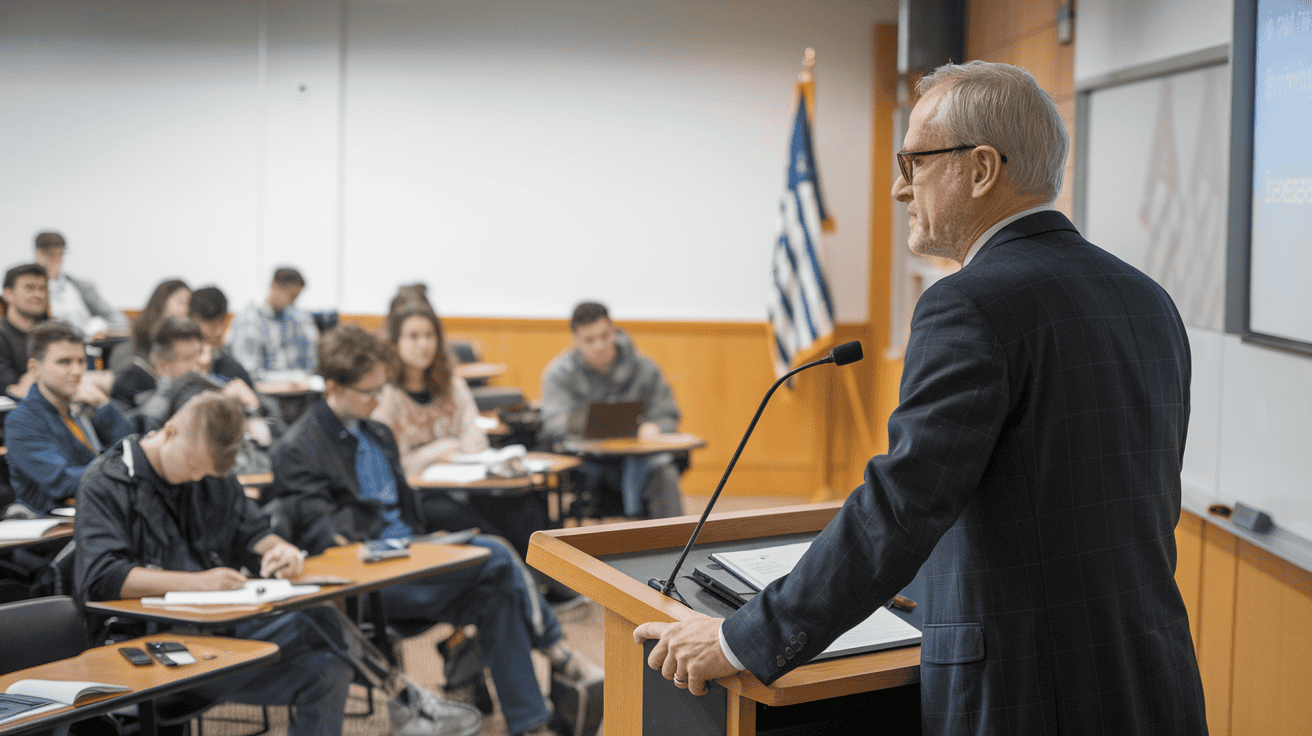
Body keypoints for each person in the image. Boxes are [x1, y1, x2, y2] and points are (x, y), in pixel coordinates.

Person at [635, 61, 1207, 735]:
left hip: (1029, 691)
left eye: (914, 161)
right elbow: (1075, 496)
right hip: (1150, 672)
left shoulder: (968, 304)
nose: (899, 188)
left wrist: (739, 639)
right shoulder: (1147, 298)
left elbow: (901, 506)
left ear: (983, 167)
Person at [270, 324, 601, 736]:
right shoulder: (299, 448)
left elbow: (408, 512)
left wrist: (421, 541)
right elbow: (328, 539)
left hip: (409, 556)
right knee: (495, 552)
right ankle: (559, 653)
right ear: (333, 387)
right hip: (368, 576)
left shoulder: (376, 432)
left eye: (381, 389)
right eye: (368, 392)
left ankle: (530, 724)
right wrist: (395, 538)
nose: (378, 400)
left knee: (496, 593)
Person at [72, 391, 354, 736]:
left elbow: (249, 534)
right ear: (170, 431)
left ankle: (399, 689)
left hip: (217, 633)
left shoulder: (212, 475)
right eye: (193, 466)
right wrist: (196, 582)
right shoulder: (106, 481)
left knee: (330, 669)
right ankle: (400, 691)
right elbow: (104, 575)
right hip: (150, 644)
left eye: (206, 472)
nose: (196, 477)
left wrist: (281, 551)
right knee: (319, 620)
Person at [373, 302, 551, 561]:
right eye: (413, 336)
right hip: (421, 494)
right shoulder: (385, 395)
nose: (423, 344)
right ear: (394, 343)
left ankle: (552, 584)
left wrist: (435, 453)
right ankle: (515, 576)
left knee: (524, 503)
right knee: (462, 519)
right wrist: (443, 447)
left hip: (468, 483)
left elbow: (475, 442)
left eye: (429, 335)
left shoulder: (453, 384)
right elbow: (397, 463)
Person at [540, 301, 684, 518]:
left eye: (605, 336)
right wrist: (593, 427)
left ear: (614, 331)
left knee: (663, 470)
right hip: (588, 465)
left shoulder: (645, 368)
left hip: (640, 459)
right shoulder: (560, 373)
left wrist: (654, 427)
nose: (599, 345)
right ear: (576, 340)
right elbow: (555, 423)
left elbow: (668, 415)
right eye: (589, 340)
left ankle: (676, 545)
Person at [4, 321, 132, 514]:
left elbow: (129, 445)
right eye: (64, 362)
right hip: (56, 534)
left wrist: (104, 405)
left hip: (101, 514)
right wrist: (125, 470)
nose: (77, 371)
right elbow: (62, 482)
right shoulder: (21, 421)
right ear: (34, 368)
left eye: (81, 361)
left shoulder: (84, 408)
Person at [226, 266, 319, 379]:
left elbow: (310, 364)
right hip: (263, 392)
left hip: (298, 389)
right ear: (274, 286)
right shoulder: (249, 319)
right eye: (291, 295)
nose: (293, 301)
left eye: (296, 296)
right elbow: (249, 372)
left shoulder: (297, 319)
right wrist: (291, 379)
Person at [32, 231, 128, 338]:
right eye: (50, 254)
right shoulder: (30, 291)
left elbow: (116, 318)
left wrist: (99, 328)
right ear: (37, 254)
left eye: (59, 254)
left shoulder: (81, 287)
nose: (55, 260)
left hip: (87, 344)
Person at [109, 278, 190, 374]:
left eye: (189, 304)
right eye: (181, 302)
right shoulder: (128, 352)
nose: (187, 309)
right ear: (161, 304)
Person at [189, 284, 255, 386]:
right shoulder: (180, 365)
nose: (219, 331)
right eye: (212, 325)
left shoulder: (232, 368)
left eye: (223, 322)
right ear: (193, 321)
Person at [2, 264, 50, 400]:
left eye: (42, 289)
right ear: (8, 294)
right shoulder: (2, 336)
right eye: (30, 288)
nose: (38, 294)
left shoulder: (52, 333)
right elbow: (12, 388)